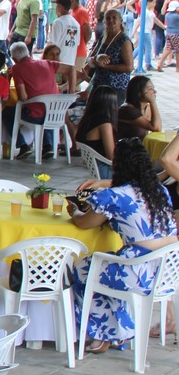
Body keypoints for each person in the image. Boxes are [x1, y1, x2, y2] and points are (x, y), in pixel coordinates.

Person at [70, 138, 178, 353]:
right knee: (106, 269)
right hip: (167, 271)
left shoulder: (114, 196)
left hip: (137, 274)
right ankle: (115, 334)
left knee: (82, 269)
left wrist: (74, 211)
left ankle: (102, 335)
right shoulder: (159, 191)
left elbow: (84, 223)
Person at [5, 41, 59, 159]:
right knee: (43, 108)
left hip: (36, 116)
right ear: (28, 53)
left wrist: (10, 77)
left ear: (14, 59)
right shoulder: (46, 63)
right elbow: (71, 68)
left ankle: (23, 145)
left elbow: (23, 97)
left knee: (8, 112)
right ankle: (48, 145)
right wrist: (71, 90)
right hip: (55, 113)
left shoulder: (17, 68)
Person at [87, 8, 133, 105]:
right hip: (99, 85)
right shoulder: (103, 37)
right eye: (108, 18)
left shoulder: (124, 41)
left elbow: (129, 67)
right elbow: (90, 58)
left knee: (111, 113)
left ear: (120, 21)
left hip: (116, 88)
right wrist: (97, 58)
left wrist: (106, 66)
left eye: (114, 18)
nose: (111, 21)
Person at [75, 86, 120, 173]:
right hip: (104, 169)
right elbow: (112, 157)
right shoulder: (104, 124)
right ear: (112, 103)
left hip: (94, 168)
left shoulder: (88, 119)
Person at [117, 75, 162, 141]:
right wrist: (153, 102)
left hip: (139, 145)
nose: (154, 91)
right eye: (150, 89)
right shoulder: (128, 110)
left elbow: (158, 130)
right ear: (138, 92)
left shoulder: (147, 107)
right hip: (126, 146)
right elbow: (156, 128)